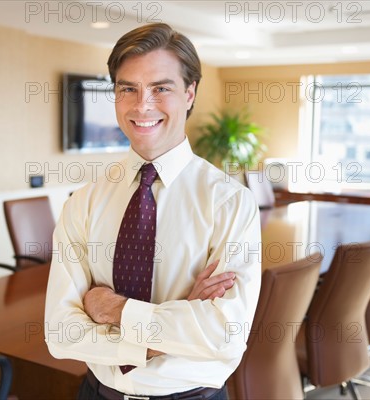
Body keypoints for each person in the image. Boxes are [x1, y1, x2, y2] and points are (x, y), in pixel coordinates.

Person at [45, 23, 261, 400]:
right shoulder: (83, 202)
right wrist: (174, 328)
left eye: (161, 88)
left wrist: (113, 308)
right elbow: (61, 334)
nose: (142, 105)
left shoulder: (230, 202)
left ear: (190, 93)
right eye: (128, 88)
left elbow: (225, 335)